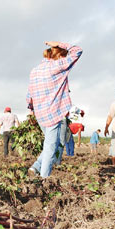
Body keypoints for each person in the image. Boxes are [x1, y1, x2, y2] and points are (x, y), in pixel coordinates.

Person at [26, 41, 83, 178]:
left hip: (40, 114)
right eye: (63, 56)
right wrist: (59, 43)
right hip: (53, 113)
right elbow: (77, 51)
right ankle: (44, 179)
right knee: (51, 148)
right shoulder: (57, 66)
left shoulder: (35, 70)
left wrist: (31, 111)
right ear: (59, 56)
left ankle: (36, 168)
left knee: (52, 143)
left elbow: (30, 94)